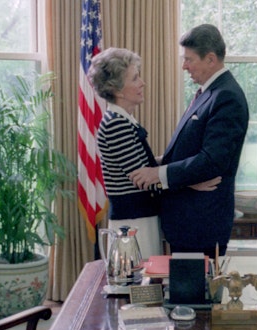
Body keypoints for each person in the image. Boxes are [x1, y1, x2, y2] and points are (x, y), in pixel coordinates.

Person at [129, 24, 249, 258]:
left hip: (201, 225)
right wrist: (162, 163)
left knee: (197, 294)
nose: (184, 66)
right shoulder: (209, 92)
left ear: (211, 59)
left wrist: (159, 174)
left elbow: (212, 161)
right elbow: (192, 150)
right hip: (189, 222)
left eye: (189, 59)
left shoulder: (227, 97)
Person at [89, 48, 219, 259]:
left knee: (147, 285)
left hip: (141, 218)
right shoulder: (116, 125)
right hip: (132, 224)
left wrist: (187, 168)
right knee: (139, 287)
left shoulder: (123, 121)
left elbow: (148, 167)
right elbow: (143, 178)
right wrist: (190, 182)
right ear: (118, 90)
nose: (142, 83)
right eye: (135, 78)